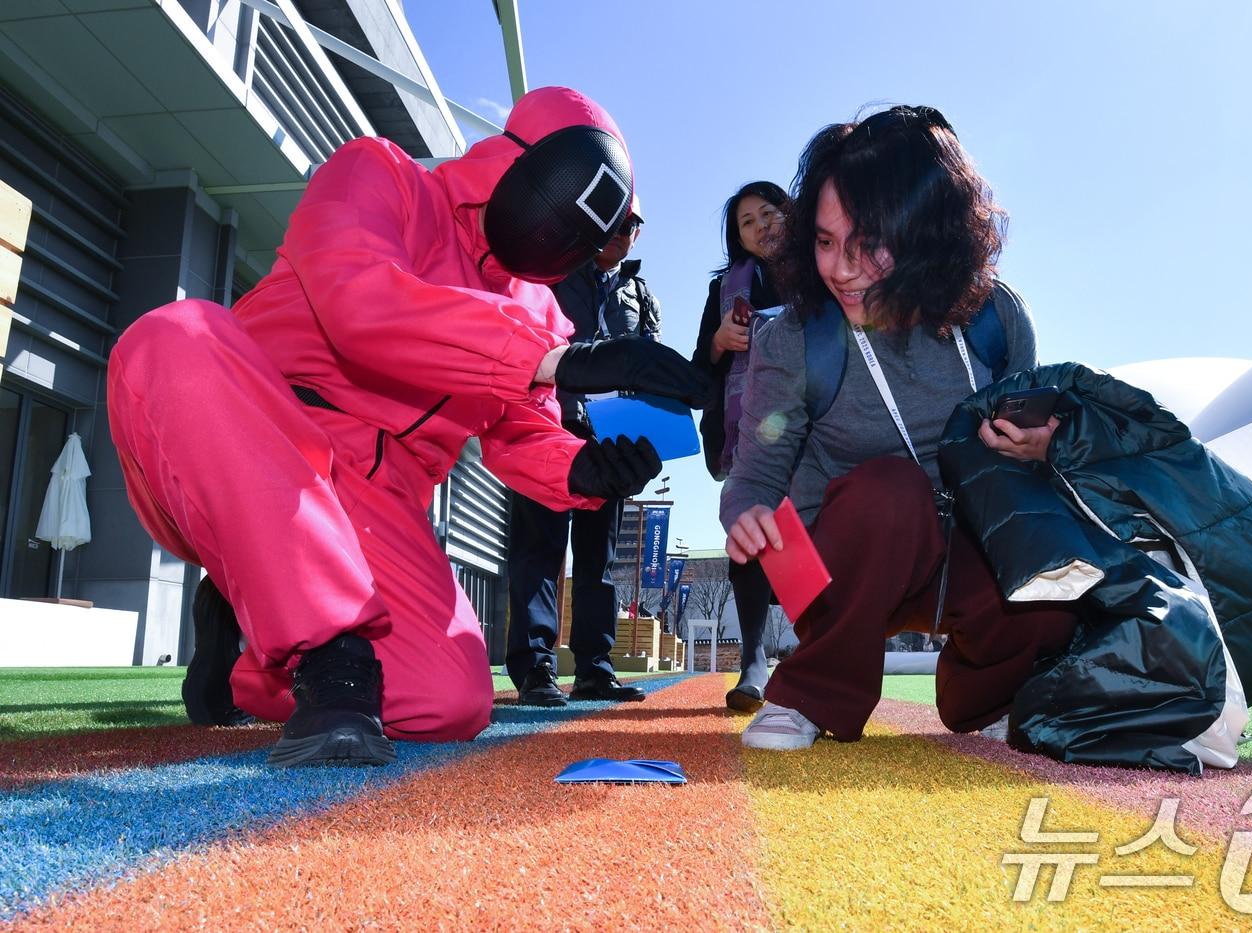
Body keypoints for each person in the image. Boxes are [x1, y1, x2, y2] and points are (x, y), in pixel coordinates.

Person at [107, 87, 709, 767]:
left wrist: (584, 471)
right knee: (176, 338)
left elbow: (521, 433)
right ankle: (325, 652)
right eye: (563, 204)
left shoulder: (540, 311)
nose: (562, 238)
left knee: (451, 701)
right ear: (516, 160)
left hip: (379, 502)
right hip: (254, 440)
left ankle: (250, 648)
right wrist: (557, 360)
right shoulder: (378, 173)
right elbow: (358, 301)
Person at [720, 106, 1079, 750]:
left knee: (1060, 582)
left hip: (964, 549)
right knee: (889, 491)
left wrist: (1038, 450)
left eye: (867, 245)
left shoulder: (996, 318)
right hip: (839, 566)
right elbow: (754, 476)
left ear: (927, 236)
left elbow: (1038, 462)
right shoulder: (793, 341)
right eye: (825, 242)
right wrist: (746, 513)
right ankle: (810, 690)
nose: (841, 269)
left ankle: (990, 692)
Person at [506, 198, 660, 705]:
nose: (621, 230)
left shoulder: (640, 294)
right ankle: (535, 668)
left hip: (611, 441)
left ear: (639, 232)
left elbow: (649, 372)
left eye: (630, 223)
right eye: (614, 219)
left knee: (600, 560)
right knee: (539, 550)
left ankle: (595, 667)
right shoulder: (550, 274)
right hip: (548, 426)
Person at [692, 181, 788, 712]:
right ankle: (754, 659)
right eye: (747, 222)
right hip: (751, 428)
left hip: (817, 425)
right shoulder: (724, 290)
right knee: (748, 530)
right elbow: (697, 367)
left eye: (768, 213)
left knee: (814, 536)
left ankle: (816, 653)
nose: (760, 227)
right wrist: (719, 342)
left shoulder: (824, 269)